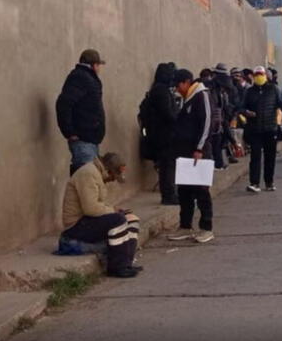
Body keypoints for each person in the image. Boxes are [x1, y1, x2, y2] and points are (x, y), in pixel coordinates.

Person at [60, 153, 140, 278]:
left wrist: (114, 210)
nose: (113, 180)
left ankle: (126, 263)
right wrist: (113, 211)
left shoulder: (97, 174)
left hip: (88, 220)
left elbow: (99, 205)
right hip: (76, 226)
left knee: (131, 218)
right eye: (114, 176)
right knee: (118, 220)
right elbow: (90, 209)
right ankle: (117, 267)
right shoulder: (88, 174)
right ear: (108, 170)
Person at [167, 69, 215, 244]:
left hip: (198, 154)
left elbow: (207, 123)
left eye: (179, 85)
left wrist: (199, 148)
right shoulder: (187, 99)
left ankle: (206, 227)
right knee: (185, 192)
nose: (177, 89)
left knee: (201, 191)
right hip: (184, 153)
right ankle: (185, 226)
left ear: (187, 82)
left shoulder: (202, 96)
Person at [239, 66, 282, 193]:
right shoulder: (249, 92)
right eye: (256, 74)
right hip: (254, 129)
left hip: (270, 128)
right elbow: (240, 107)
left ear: (265, 75)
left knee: (270, 157)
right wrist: (246, 112)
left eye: (260, 74)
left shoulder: (273, 89)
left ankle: (269, 182)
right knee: (255, 157)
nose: (258, 76)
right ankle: (254, 183)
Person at [56, 49, 107, 175]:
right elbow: (63, 104)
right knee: (86, 180)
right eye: (99, 65)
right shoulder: (80, 77)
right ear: (94, 65)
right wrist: (69, 132)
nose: (100, 68)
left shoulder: (87, 78)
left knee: (87, 181)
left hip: (90, 139)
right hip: (83, 140)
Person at [138, 63, 179, 205]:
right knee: (167, 166)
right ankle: (168, 195)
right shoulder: (161, 91)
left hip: (161, 134)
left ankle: (170, 193)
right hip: (163, 135)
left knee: (168, 165)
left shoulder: (159, 90)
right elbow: (167, 113)